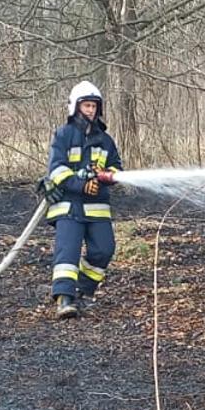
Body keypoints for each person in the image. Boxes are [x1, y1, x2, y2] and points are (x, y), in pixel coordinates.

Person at [39, 81, 122, 319]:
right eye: (86, 105)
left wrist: (106, 177)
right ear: (76, 107)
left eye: (94, 106)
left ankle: (83, 291)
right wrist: (80, 183)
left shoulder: (105, 140)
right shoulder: (63, 135)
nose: (91, 110)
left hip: (97, 208)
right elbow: (57, 170)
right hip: (69, 207)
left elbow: (117, 168)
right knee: (68, 253)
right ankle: (64, 300)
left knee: (104, 250)